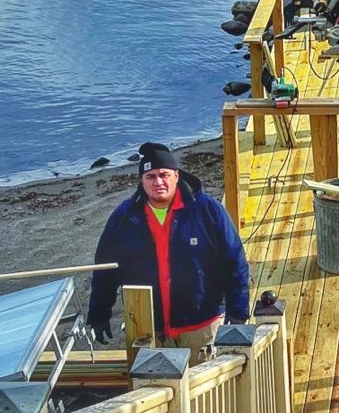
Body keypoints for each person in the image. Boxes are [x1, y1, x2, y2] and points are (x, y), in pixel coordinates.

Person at [88, 142, 250, 364]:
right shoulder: (124, 217)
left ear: (176, 175)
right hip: (148, 329)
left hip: (201, 325)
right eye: (150, 176)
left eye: (164, 174)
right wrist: (99, 314)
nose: (158, 182)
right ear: (141, 181)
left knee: (202, 394)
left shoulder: (207, 210)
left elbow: (235, 261)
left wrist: (238, 312)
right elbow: (105, 270)